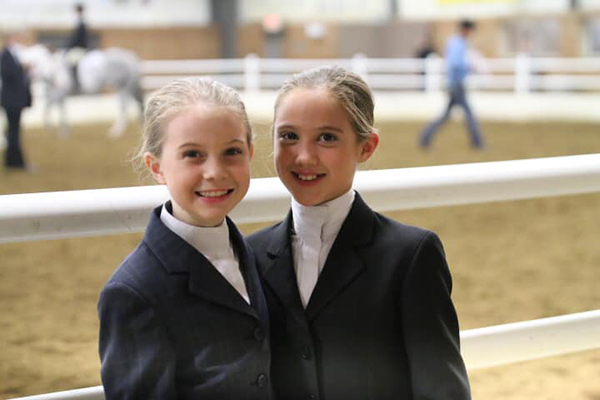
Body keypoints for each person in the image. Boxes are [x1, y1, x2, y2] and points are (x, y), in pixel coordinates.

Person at [247, 65, 471, 400]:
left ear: (366, 147)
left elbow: (442, 388)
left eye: (327, 138)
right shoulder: (249, 255)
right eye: (289, 136)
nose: (304, 156)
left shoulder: (409, 255)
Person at [98, 77, 273, 399]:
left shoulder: (255, 253)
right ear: (156, 166)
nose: (215, 172)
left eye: (231, 151)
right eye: (193, 154)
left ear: (249, 152)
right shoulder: (134, 292)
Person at [419, 19, 483, 149]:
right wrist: (470, 67)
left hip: (455, 84)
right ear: (466, 29)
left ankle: (425, 137)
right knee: (468, 114)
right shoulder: (458, 43)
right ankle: (477, 143)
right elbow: (454, 64)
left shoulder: (458, 42)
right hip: (456, 84)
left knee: (446, 115)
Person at [1, 29, 32, 170]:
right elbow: (9, 74)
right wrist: (22, 69)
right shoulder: (6, 56)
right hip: (11, 100)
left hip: (15, 100)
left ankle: (14, 161)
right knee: (13, 132)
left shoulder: (13, 56)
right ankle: (15, 163)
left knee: (14, 131)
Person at [66, 3, 90, 94]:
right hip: (78, 47)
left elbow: (77, 38)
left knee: (70, 62)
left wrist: (69, 46)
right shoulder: (79, 22)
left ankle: (76, 83)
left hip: (79, 48)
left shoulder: (81, 23)